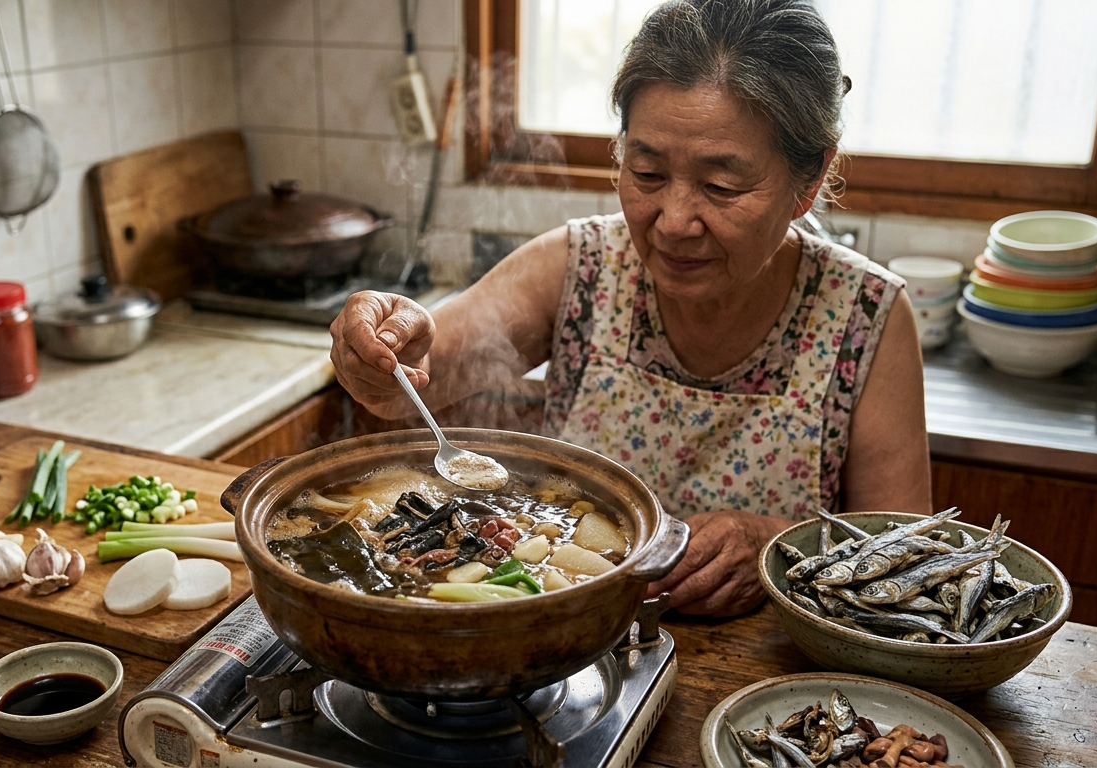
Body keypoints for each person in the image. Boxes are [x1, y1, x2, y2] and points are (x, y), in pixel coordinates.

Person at [329, 0, 931, 616]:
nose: (673, 222)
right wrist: (380, 352)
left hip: (769, 662)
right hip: (577, 641)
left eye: (721, 187)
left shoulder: (866, 317)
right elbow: (413, 380)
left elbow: (912, 559)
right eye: (646, 173)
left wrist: (776, 547)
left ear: (810, 179)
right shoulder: (580, 265)